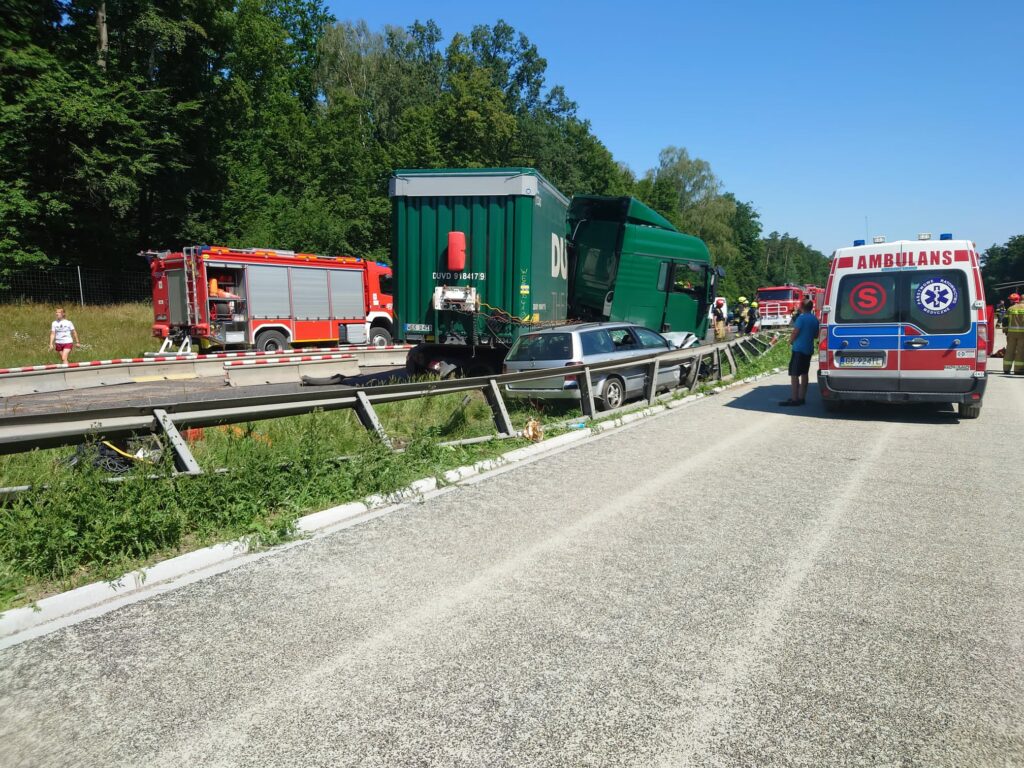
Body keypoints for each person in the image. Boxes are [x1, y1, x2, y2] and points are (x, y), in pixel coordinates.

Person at [779, 298, 819, 406]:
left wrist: (790, 341)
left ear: (801, 307)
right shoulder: (815, 319)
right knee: (804, 373)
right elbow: (816, 335)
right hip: (809, 349)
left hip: (799, 349)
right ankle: (802, 398)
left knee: (794, 374)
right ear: (811, 308)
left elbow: (795, 332)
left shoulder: (801, 319)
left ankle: (794, 399)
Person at [1005, 293, 1024, 375]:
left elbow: (1005, 321)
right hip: (1022, 334)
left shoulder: (1010, 308)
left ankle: (1006, 369)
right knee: (1020, 351)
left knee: (1009, 350)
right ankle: (1018, 370)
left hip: (1011, 333)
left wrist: (1006, 330)